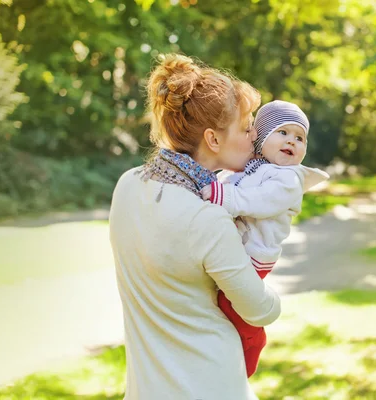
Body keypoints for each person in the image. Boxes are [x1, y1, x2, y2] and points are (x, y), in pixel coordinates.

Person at [109, 54, 281, 400]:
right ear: (213, 140)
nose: (255, 138)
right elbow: (261, 309)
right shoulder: (207, 219)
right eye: (247, 127)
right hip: (212, 386)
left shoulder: (126, 186)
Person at [201, 100, 329, 377]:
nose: (291, 141)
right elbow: (227, 185)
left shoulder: (289, 178)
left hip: (256, 253)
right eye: (282, 133)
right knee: (217, 300)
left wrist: (225, 198)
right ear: (261, 137)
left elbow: (263, 201)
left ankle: (252, 340)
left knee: (230, 303)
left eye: (299, 138)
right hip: (239, 246)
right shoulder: (250, 169)